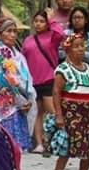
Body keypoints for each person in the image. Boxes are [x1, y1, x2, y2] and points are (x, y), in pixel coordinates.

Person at [48, 34, 89, 170]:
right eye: (76, 46)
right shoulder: (63, 70)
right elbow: (56, 92)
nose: (80, 49)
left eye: (82, 46)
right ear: (68, 49)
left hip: (88, 114)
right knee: (66, 149)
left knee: (88, 150)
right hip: (71, 113)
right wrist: (59, 116)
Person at [0, 18, 36, 153]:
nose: (13, 35)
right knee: (4, 149)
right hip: (3, 104)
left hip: (17, 103)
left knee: (14, 150)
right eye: (9, 31)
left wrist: (27, 98)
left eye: (15, 31)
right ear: (0, 33)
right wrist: (21, 99)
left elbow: (24, 78)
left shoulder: (17, 53)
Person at [21, 11, 64, 154]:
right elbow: (22, 60)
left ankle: (57, 140)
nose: (38, 24)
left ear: (46, 23)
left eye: (42, 21)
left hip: (48, 79)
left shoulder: (52, 37)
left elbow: (60, 33)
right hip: (33, 81)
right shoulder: (28, 40)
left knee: (52, 112)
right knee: (37, 113)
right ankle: (39, 144)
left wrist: (51, 19)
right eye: (36, 21)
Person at [59, 7, 89, 91]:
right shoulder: (65, 35)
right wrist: (71, 53)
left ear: (86, 20)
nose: (77, 20)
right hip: (70, 78)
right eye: (74, 17)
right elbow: (59, 53)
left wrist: (84, 55)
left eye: (80, 17)